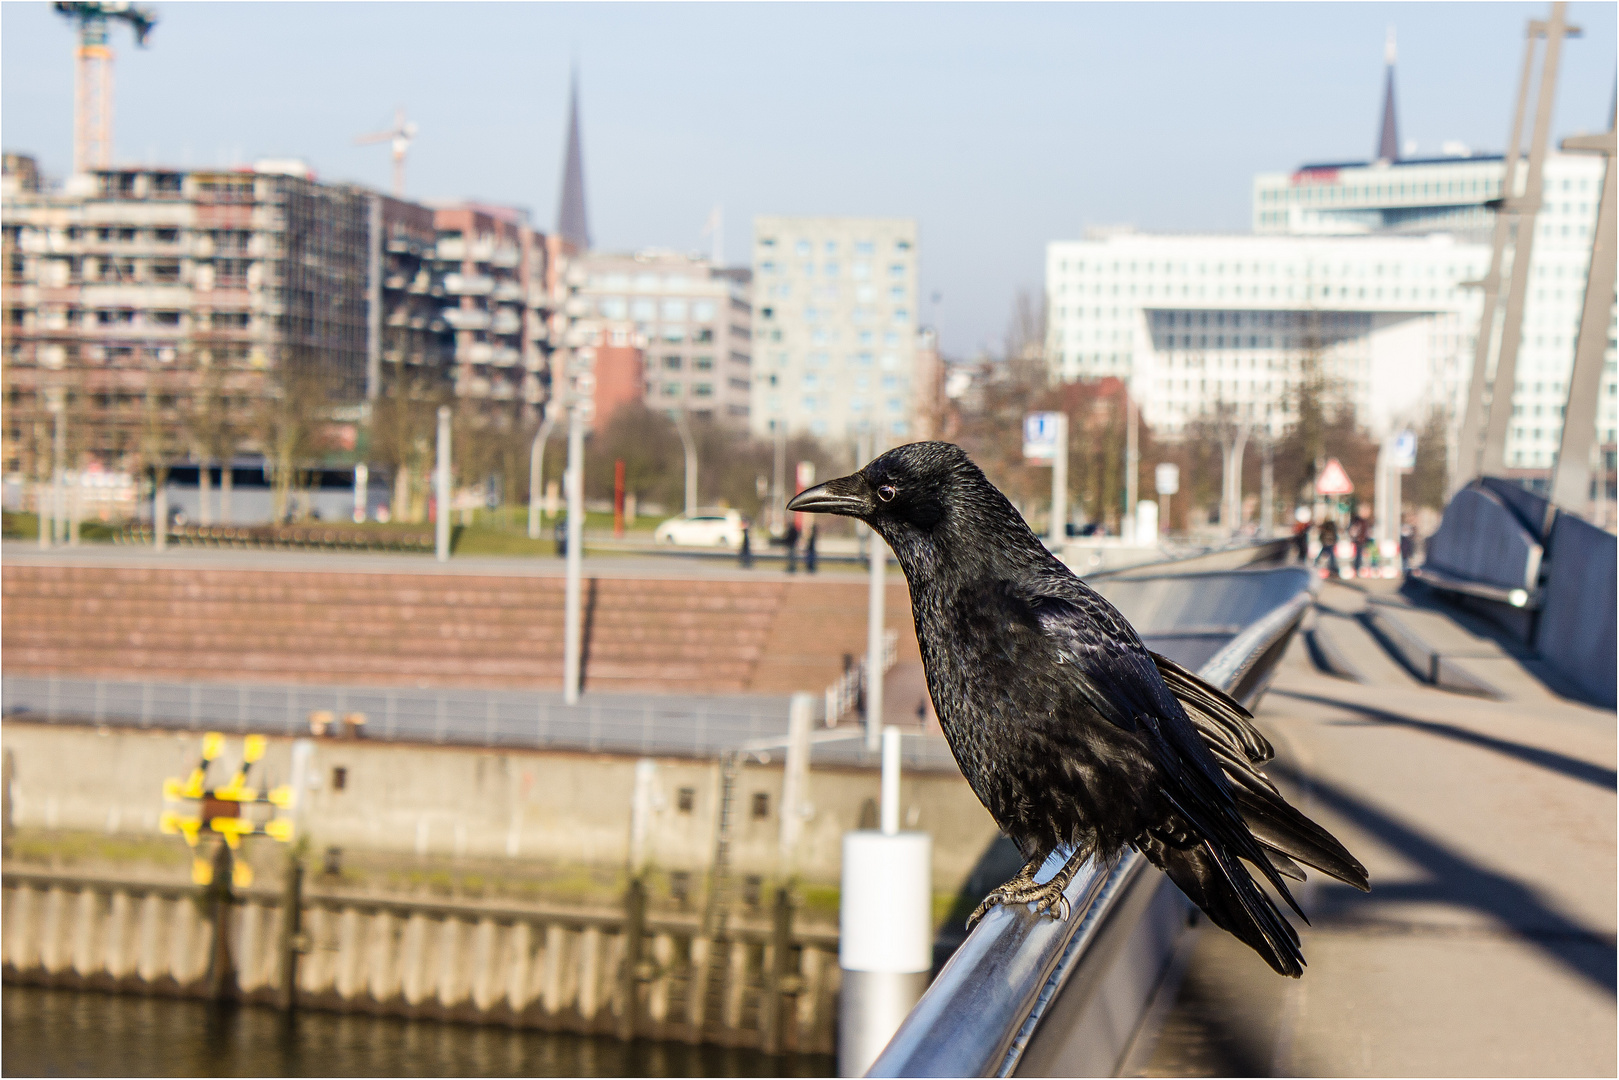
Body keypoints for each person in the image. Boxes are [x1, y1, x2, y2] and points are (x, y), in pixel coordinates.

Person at [1348, 511, 1370, 577]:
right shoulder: (1361, 523)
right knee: (1358, 556)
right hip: (1360, 541)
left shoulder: (1358, 522)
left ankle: (1357, 568)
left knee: (1359, 556)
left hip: (1359, 540)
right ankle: (1357, 568)